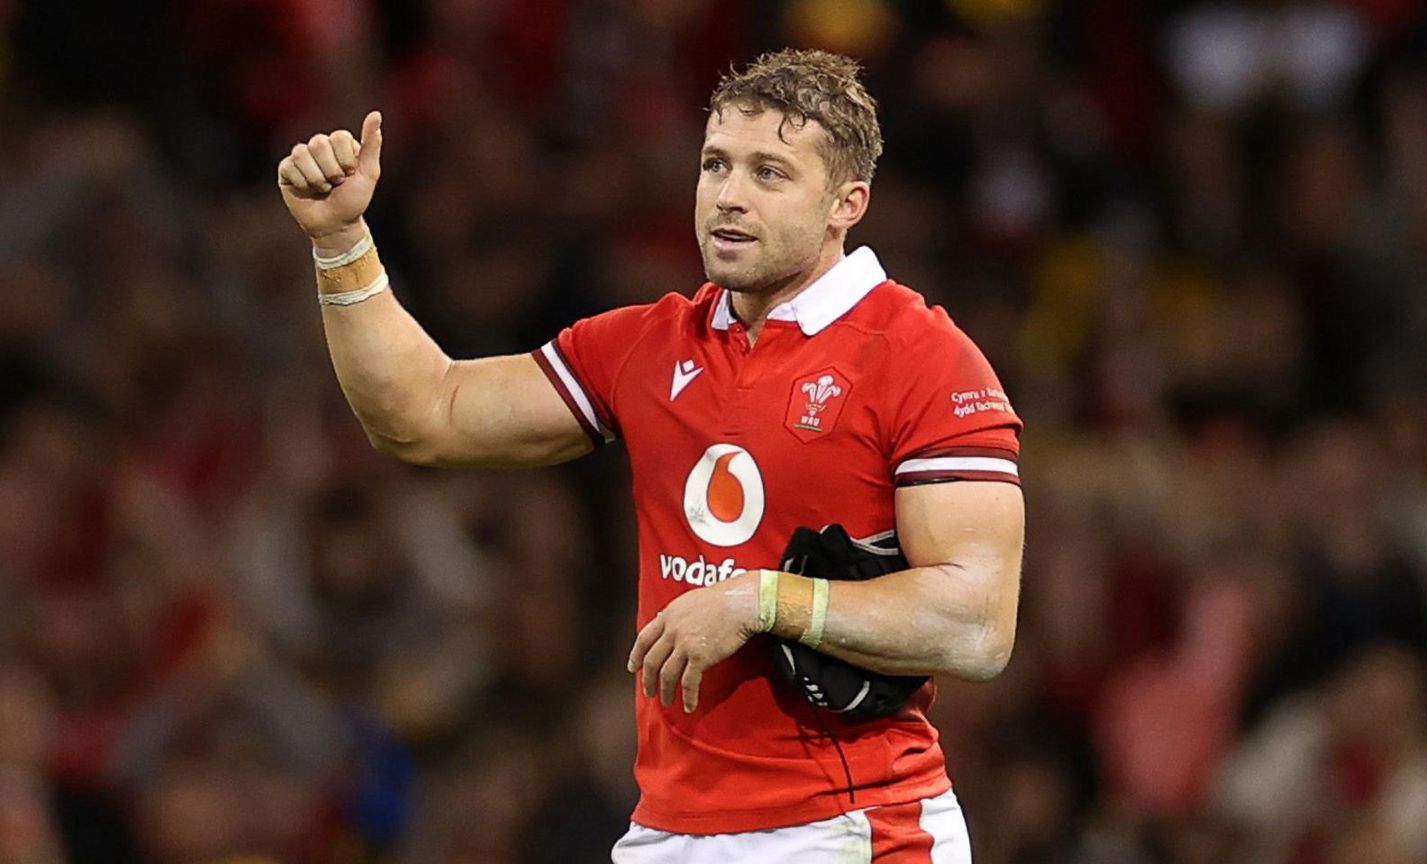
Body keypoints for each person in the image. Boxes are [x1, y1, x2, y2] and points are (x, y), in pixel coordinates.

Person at [276, 48, 1025, 863]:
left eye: (769, 173)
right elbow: (424, 414)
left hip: (851, 830)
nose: (729, 196)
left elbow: (976, 621)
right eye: (716, 165)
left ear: (849, 202)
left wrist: (763, 600)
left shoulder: (921, 358)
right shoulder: (648, 344)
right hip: (671, 831)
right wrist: (343, 241)